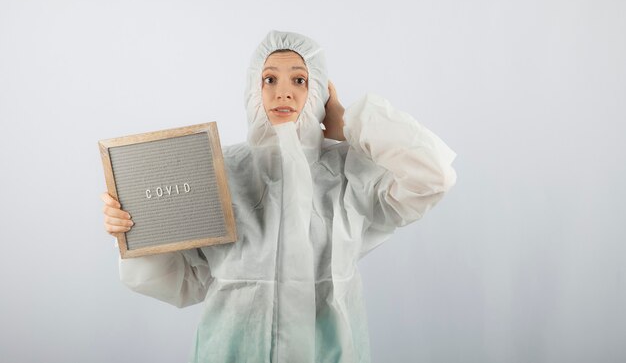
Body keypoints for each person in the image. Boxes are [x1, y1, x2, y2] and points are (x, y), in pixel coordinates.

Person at [101, 30, 457, 363]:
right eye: (269, 79)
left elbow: (434, 175)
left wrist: (349, 123)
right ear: (253, 89)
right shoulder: (220, 169)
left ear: (318, 91)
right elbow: (184, 282)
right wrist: (134, 233)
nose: (283, 92)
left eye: (299, 80)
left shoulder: (350, 171)